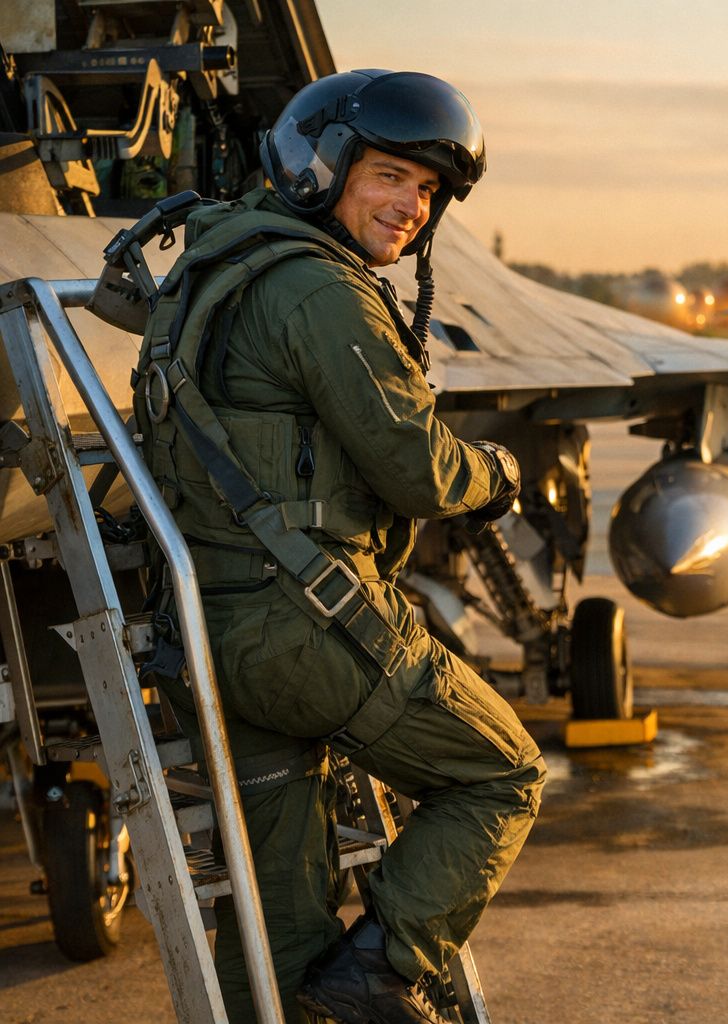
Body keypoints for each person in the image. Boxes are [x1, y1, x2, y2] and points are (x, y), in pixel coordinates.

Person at [133, 70, 545, 1024]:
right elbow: (420, 471)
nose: (411, 207)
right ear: (323, 168)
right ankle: (382, 971)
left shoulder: (216, 262)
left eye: (428, 192)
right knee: (502, 773)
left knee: (280, 917)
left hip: (215, 634)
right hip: (309, 631)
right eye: (392, 176)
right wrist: (496, 472)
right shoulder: (320, 288)